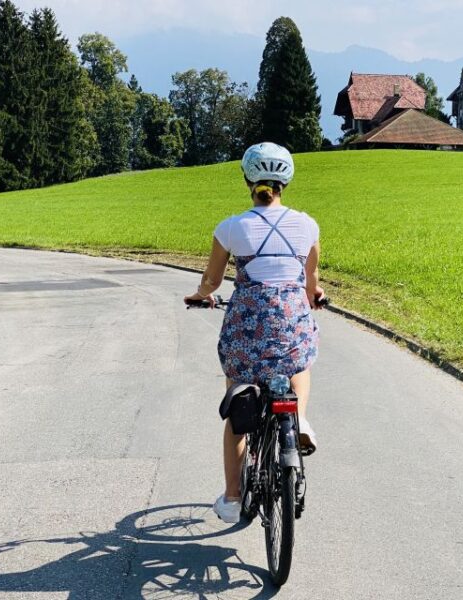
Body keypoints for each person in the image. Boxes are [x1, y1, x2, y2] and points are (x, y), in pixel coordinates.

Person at [184, 142, 325, 523]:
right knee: (300, 363)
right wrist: (316, 296)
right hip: (290, 320)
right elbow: (311, 282)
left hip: (246, 326)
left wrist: (199, 295)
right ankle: (302, 419)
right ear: (286, 182)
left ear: (248, 178)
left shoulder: (231, 227)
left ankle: (232, 498)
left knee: (239, 404)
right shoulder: (307, 225)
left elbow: (212, 281)